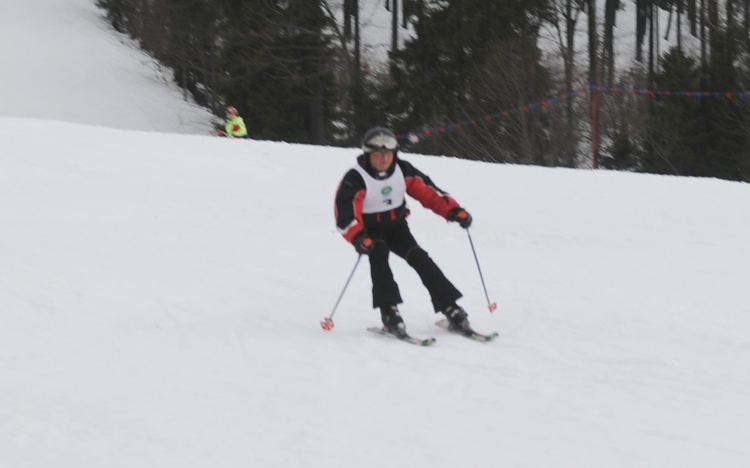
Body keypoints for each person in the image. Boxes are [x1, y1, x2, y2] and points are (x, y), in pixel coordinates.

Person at [334, 126, 475, 338]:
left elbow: (430, 193)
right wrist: (358, 236)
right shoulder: (355, 178)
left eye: (388, 153)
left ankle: (451, 308)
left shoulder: (403, 170)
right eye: (378, 153)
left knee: (421, 259)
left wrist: (454, 211)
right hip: (370, 231)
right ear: (368, 154)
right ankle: (390, 313)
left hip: (396, 227)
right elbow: (344, 213)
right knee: (379, 258)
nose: (383, 158)